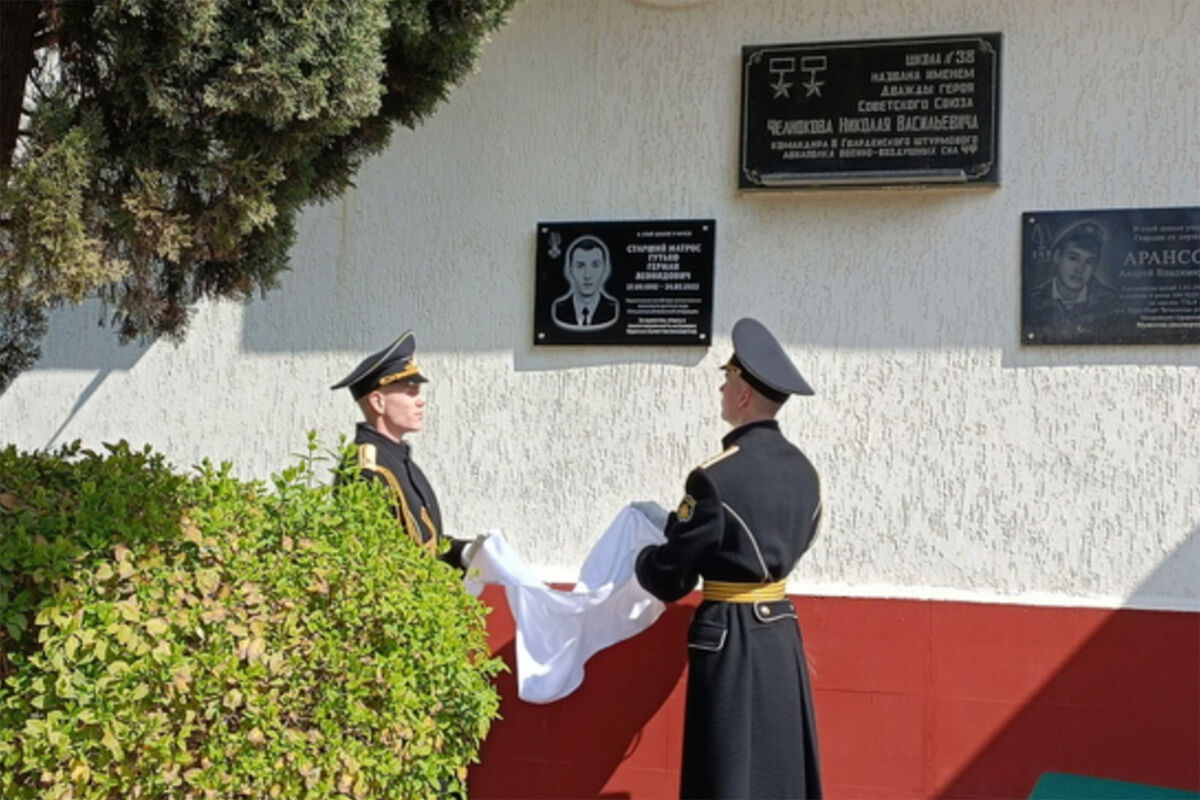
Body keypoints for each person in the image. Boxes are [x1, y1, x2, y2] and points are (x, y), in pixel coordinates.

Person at [635, 317, 823, 800]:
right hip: (781, 629)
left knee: (725, 769)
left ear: (743, 395)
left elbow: (671, 577)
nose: (721, 387)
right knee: (779, 771)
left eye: (727, 379)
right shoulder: (805, 472)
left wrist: (641, 557)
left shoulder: (715, 478)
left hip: (731, 636)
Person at [331, 331, 483, 571]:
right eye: (410, 392)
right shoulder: (368, 469)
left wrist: (470, 552)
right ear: (378, 402)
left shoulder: (397, 459)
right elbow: (378, 562)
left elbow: (427, 543)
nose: (420, 401)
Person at [1025, 219, 1120, 333]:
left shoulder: (1109, 302)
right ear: (1057, 257)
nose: (1079, 269)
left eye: (1089, 262)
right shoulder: (1033, 301)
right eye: (1073, 258)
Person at [551, 234, 620, 330]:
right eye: (580, 266)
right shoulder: (559, 310)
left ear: (604, 269)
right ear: (570, 270)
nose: (587, 275)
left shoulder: (612, 309)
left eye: (595, 265)